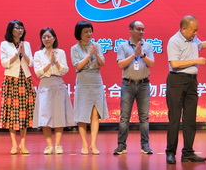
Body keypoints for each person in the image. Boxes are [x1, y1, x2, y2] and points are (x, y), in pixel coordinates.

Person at [165, 15, 206, 164]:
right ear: (183, 29)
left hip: (191, 82)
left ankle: (188, 153)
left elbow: (201, 45)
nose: (195, 33)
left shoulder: (193, 39)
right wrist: (196, 61)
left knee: (190, 119)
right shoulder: (174, 41)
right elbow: (175, 64)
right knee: (174, 119)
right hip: (177, 81)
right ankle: (170, 152)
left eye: (196, 30)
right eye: (193, 30)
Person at [114, 20, 155, 155]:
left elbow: (152, 64)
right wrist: (134, 54)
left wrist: (142, 54)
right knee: (124, 117)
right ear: (130, 30)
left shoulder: (148, 46)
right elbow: (120, 64)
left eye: (143, 29)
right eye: (138, 29)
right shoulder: (123, 46)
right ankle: (121, 145)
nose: (141, 32)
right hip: (128, 84)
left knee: (144, 117)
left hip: (144, 84)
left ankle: (145, 145)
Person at [33, 28, 74, 155]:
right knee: (45, 115)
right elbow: (38, 72)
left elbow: (64, 70)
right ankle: (49, 145)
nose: (46, 39)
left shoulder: (60, 52)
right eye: (43, 37)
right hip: (45, 84)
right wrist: (49, 63)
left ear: (54, 38)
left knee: (59, 114)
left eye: (49, 36)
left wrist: (55, 62)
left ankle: (58, 145)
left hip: (58, 83)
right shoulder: (38, 54)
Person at [71, 21, 108, 155]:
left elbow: (102, 63)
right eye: (86, 31)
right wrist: (88, 55)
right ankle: (84, 145)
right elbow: (78, 66)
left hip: (96, 80)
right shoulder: (75, 48)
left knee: (95, 114)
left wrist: (96, 53)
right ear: (79, 33)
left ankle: (93, 144)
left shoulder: (97, 45)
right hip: (83, 80)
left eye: (90, 31)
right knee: (82, 114)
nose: (89, 34)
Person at [0, 20, 36, 155]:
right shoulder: (4, 44)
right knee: (12, 112)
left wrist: (23, 52)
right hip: (11, 79)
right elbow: (4, 63)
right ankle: (14, 144)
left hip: (25, 78)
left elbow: (31, 63)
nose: (20, 30)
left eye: (21, 28)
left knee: (24, 112)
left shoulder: (26, 44)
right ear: (11, 30)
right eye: (17, 28)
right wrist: (17, 53)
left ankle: (23, 144)